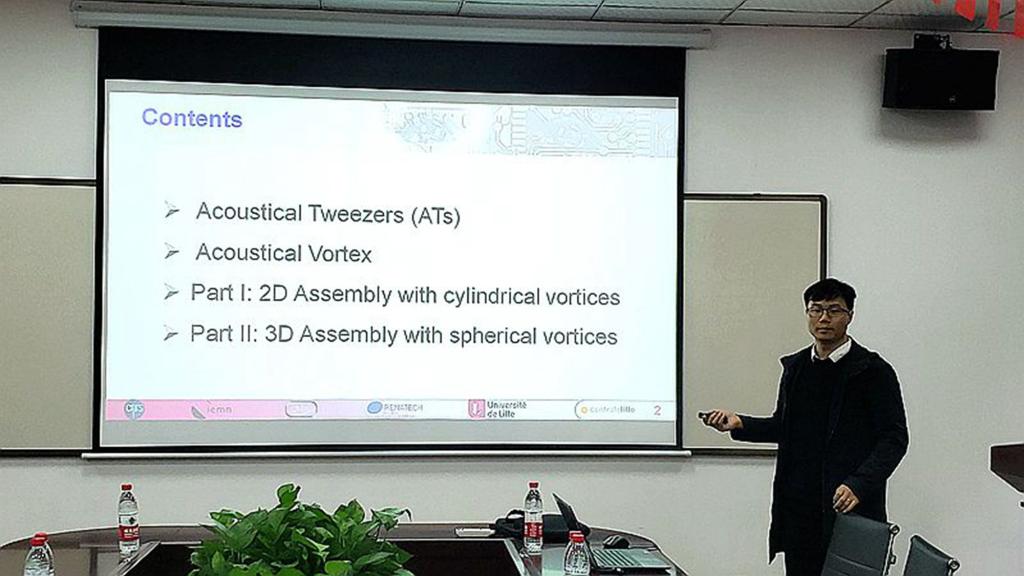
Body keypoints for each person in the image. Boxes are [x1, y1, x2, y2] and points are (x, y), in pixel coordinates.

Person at [702, 278, 908, 576]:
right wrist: (740, 423)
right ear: (807, 313)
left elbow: (894, 438)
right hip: (799, 512)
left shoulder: (873, 371)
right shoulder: (796, 367)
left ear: (850, 316)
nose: (824, 318)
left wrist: (859, 484)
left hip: (848, 508)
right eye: (816, 309)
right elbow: (785, 427)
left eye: (834, 310)